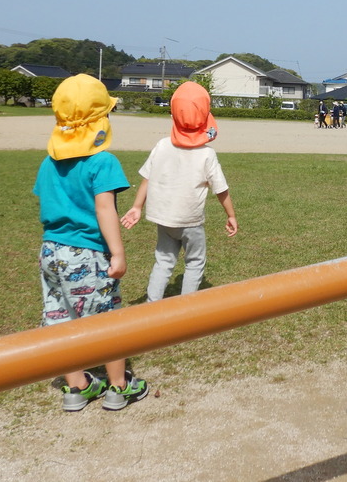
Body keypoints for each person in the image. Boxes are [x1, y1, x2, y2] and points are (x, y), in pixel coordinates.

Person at [34, 74, 150, 412]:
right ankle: (119, 385)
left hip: (51, 250)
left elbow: (47, 202)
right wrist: (117, 252)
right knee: (107, 322)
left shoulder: (49, 161)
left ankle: (77, 387)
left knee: (61, 319)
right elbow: (105, 208)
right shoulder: (102, 161)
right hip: (87, 255)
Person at [121, 82, 238, 302]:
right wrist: (230, 215)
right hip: (190, 221)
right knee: (194, 261)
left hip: (163, 218)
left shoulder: (162, 145)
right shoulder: (206, 154)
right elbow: (220, 189)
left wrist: (137, 207)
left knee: (164, 261)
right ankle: (186, 309)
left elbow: (148, 177)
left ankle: (152, 305)